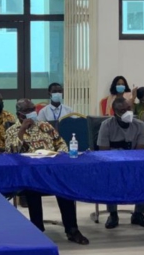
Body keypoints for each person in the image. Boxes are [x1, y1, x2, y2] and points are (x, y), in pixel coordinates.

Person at [5, 99, 89, 245]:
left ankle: (72, 230)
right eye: (28, 110)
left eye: (33, 109)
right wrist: (22, 130)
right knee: (33, 188)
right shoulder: (12, 131)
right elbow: (12, 152)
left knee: (64, 187)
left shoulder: (45, 126)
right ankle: (38, 231)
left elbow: (61, 144)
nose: (33, 112)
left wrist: (59, 156)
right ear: (19, 115)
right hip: (29, 173)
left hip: (51, 169)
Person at [98, 97, 144, 229]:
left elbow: (139, 150)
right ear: (115, 112)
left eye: (128, 109)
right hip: (113, 163)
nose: (127, 112)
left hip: (133, 162)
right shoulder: (106, 125)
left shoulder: (139, 125)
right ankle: (113, 214)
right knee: (111, 175)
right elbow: (103, 151)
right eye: (122, 111)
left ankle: (139, 213)